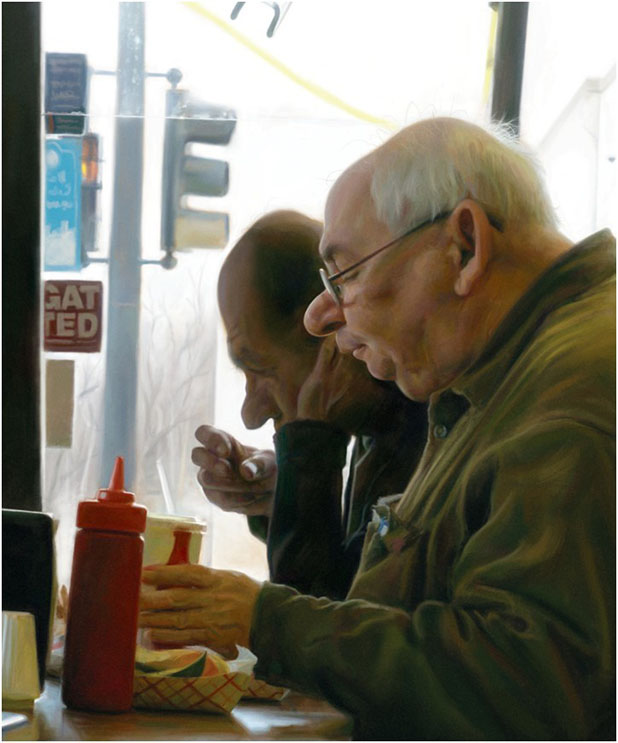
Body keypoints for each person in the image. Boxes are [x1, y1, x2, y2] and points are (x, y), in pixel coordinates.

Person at [140, 118, 615, 740]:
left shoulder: (574, 395)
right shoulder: (497, 381)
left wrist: (265, 619)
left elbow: (526, 686)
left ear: (464, 247)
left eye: (346, 275)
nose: (320, 316)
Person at [192, 210, 427, 598]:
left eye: (260, 369)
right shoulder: (379, 433)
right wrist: (284, 493)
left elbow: (312, 623)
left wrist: (309, 451)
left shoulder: (431, 441)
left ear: (332, 339)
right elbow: (346, 579)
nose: (251, 415)